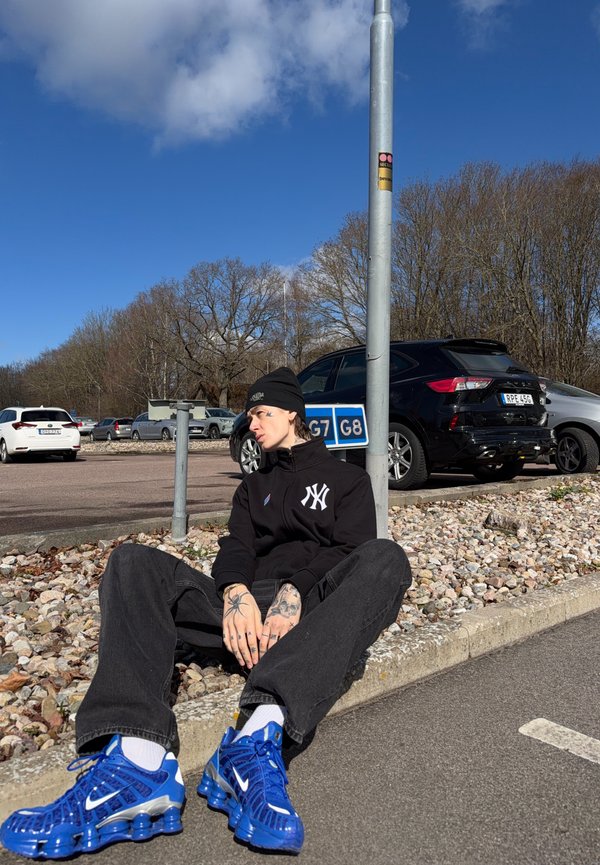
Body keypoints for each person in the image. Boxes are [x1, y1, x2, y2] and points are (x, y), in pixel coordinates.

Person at [0, 367, 412, 858]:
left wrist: (295, 593)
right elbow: (236, 549)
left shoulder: (346, 480)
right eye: (250, 415)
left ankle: (256, 737)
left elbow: (349, 550)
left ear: (293, 414)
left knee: (387, 559)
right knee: (133, 561)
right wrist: (235, 594)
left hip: (310, 612)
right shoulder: (251, 486)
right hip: (237, 616)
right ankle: (139, 763)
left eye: (262, 413)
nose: (253, 424)